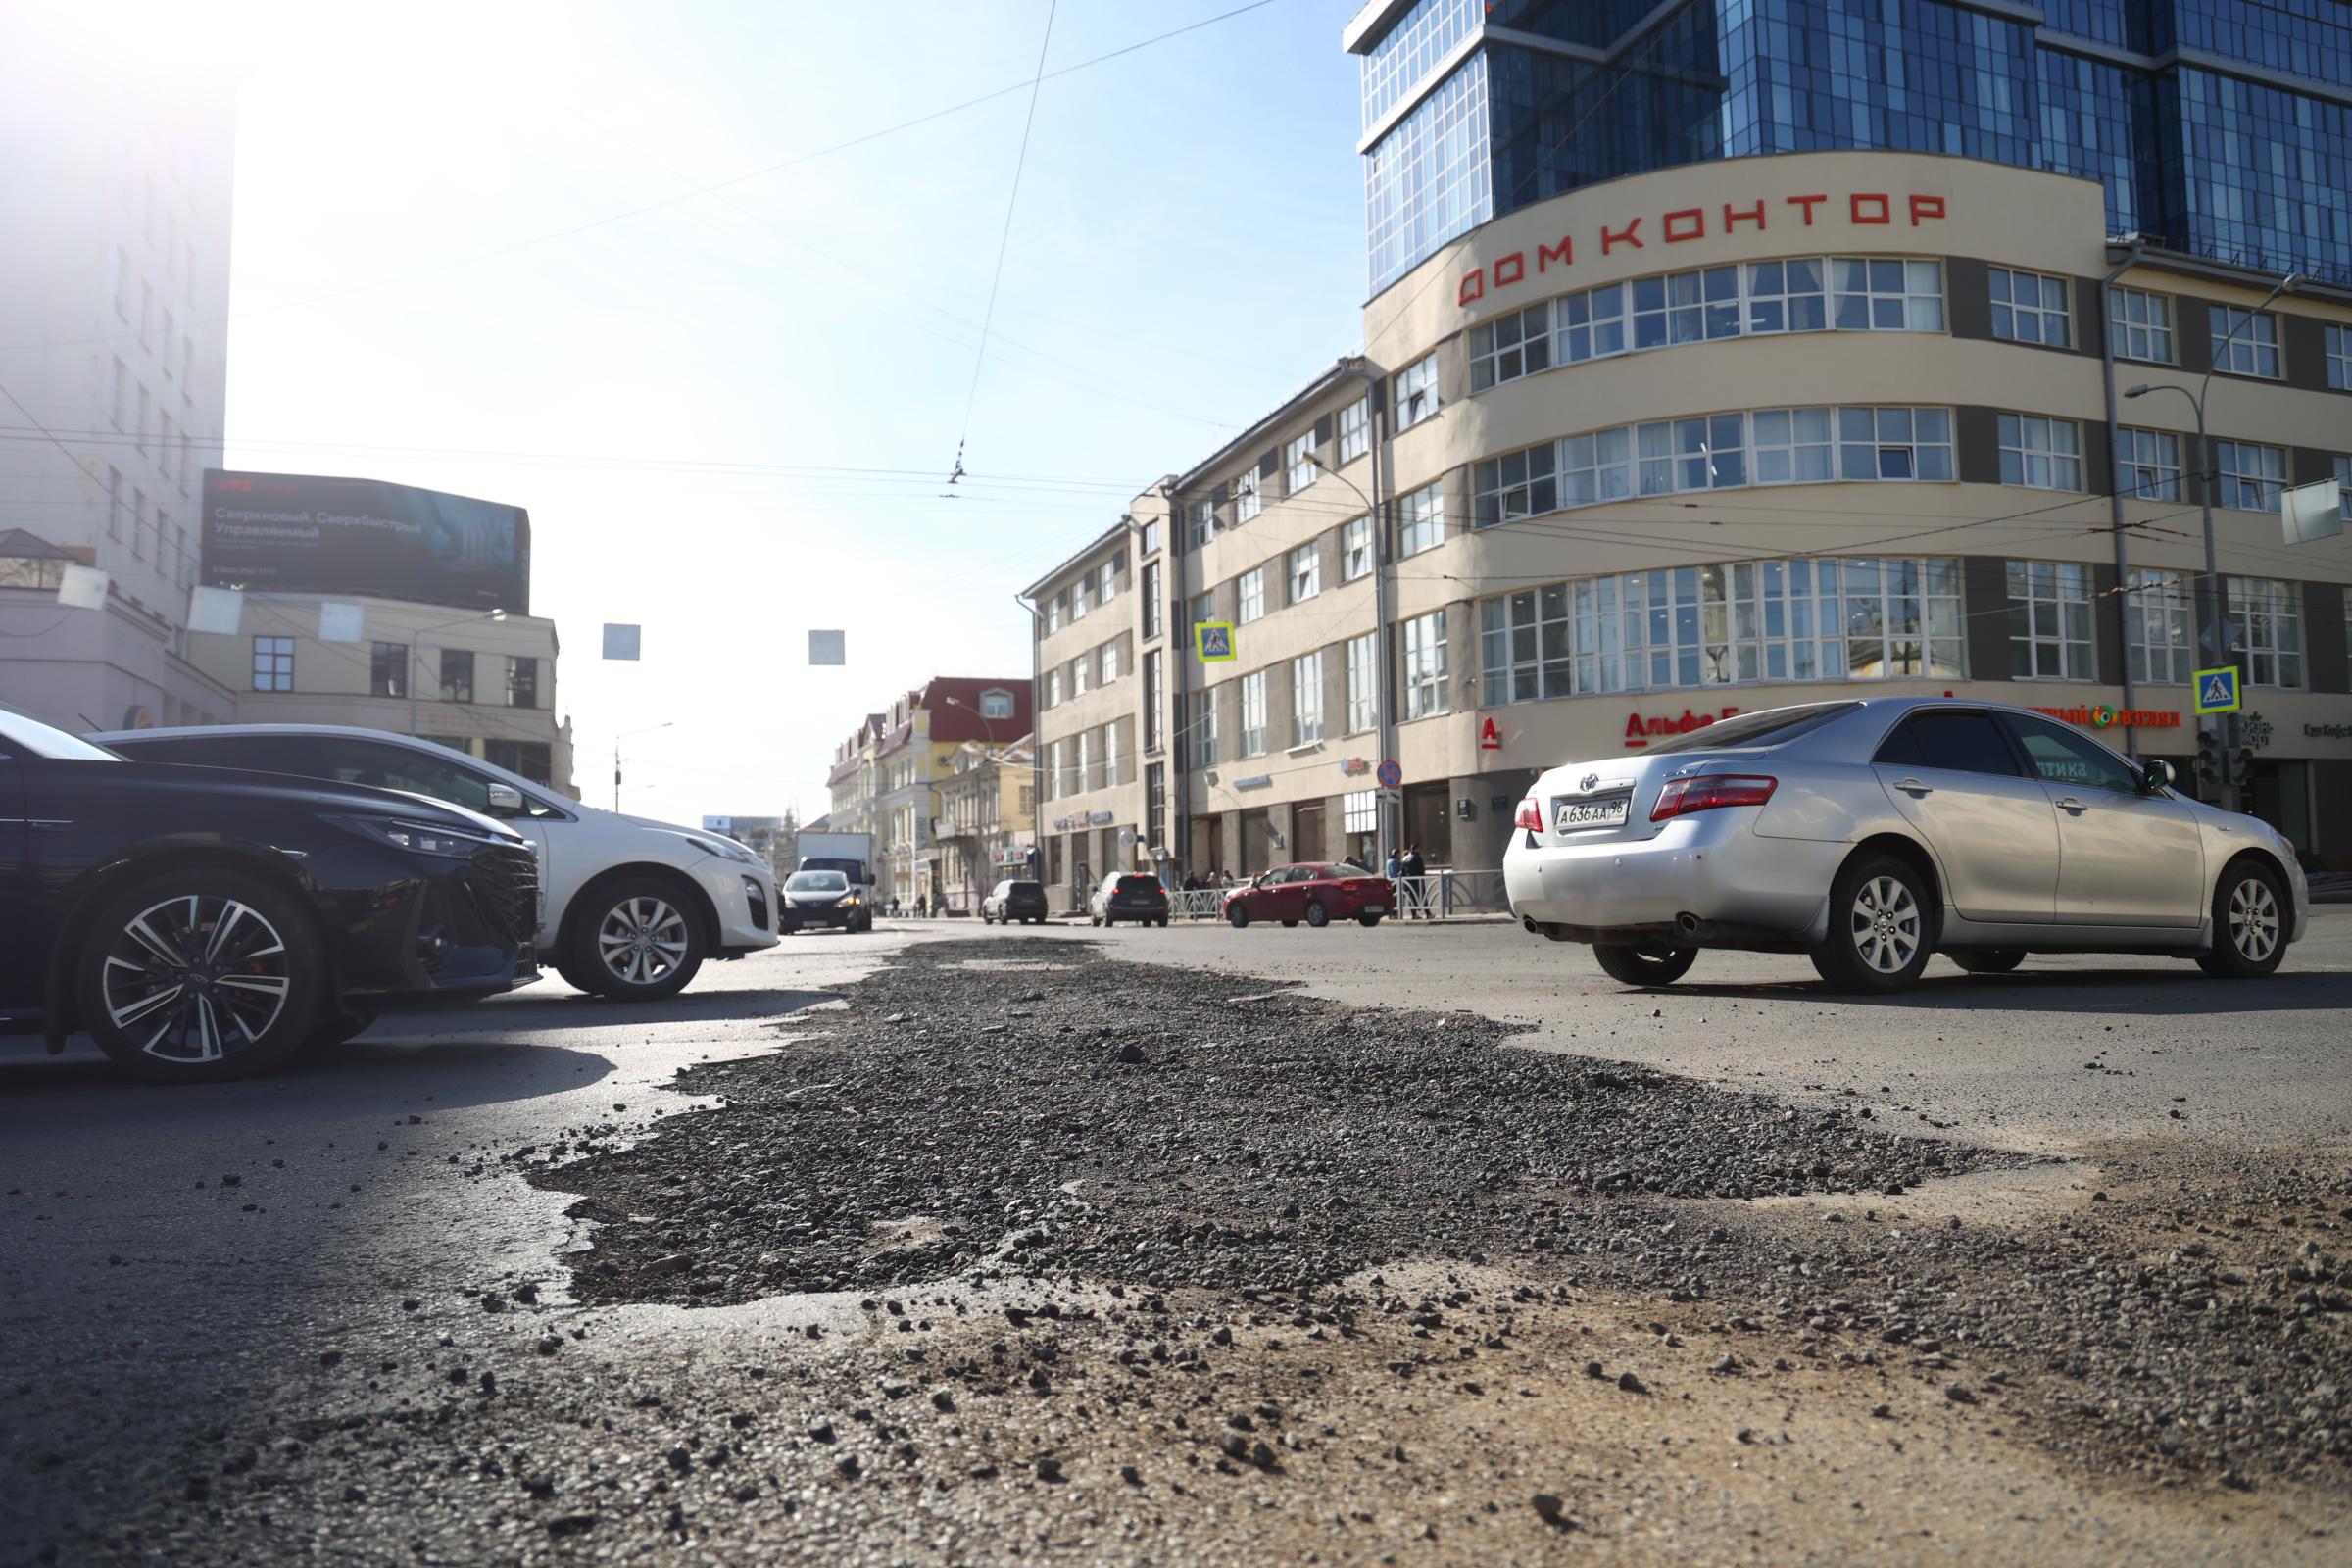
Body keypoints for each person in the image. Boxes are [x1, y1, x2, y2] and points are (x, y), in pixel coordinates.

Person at [1401, 844, 1429, 919]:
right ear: (1416, 849)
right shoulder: (1417, 858)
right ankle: (1428, 913)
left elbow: (1402, 871)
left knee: (1411, 898)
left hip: (1408, 881)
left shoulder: (1404, 858)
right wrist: (1422, 877)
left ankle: (1414, 915)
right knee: (1423, 896)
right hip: (1418, 880)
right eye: (1418, 849)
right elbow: (1421, 870)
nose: (1419, 850)